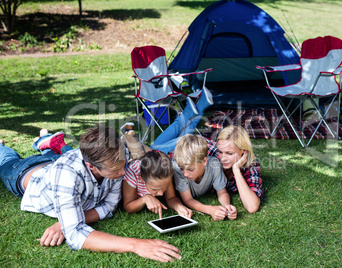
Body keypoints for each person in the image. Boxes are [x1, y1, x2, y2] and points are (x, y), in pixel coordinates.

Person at [0, 125, 182, 263]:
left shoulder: (116, 157)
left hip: (55, 161)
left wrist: (69, 220)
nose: (123, 173)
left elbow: (109, 207)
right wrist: (135, 244)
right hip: (25, 173)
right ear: (92, 167)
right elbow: (76, 234)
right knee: (7, 159)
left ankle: (47, 142)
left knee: (52, 153)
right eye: (115, 171)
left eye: (123, 165)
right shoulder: (67, 176)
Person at [123, 87, 263, 213]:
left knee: (153, 147)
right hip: (173, 154)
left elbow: (252, 206)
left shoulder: (249, 165)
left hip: (182, 153)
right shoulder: (209, 151)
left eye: (230, 153)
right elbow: (190, 145)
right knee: (154, 149)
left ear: (243, 153)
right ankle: (194, 109)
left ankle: (191, 111)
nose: (222, 158)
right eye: (221, 152)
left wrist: (236, 170)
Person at [172, 134, 237, 221]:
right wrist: (210, 210)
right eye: (182, 168)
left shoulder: (214, 165)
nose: (185, 174)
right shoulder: (177, 169)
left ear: (204, 161)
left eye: (191, 169)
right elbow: (187, 199)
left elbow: (222, 192)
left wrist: (226, 206)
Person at [122, 150, 192, 219]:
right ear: (142, 179)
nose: (161, 194)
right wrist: (145, 199)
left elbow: (171, 198)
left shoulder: (165, 171)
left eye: (166, 187)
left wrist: (179, 206)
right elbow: (128, 207)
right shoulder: (132, 173)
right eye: (155, 189)